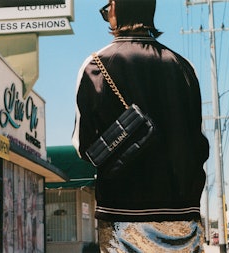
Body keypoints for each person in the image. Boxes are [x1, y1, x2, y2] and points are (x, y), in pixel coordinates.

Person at [72, 0, 209, 252]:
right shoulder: (184, 67)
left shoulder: (95, 66)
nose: (107, 12)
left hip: (121, 213)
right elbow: (198, 144)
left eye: (109, 5)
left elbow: (84, 148)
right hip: (180, 210)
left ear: (120, 9)